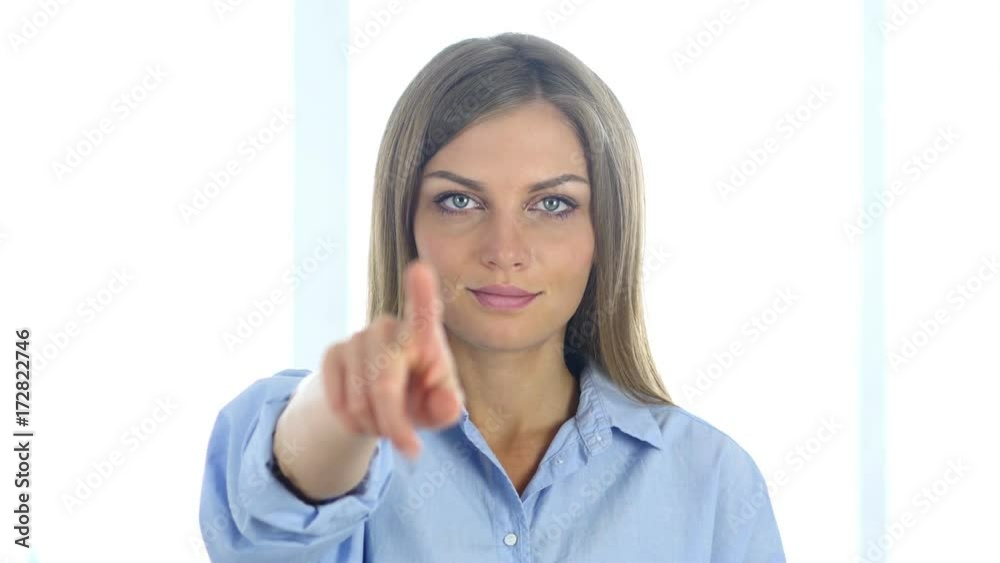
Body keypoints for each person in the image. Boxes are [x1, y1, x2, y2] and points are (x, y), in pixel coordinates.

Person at [198, 32, 786, 562]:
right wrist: (342, 413)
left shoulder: (712, 480)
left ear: (605, 232)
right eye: (460, 201)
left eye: (552, 204)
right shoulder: (312, 430)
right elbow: (279, 500)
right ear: (406, 224)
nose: (505, 250)